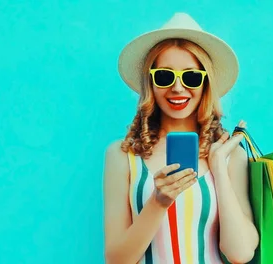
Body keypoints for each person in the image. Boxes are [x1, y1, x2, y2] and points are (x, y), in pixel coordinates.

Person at [103, 12, 259, 264]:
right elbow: (116, 260)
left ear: (205, 83)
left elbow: (240, 253)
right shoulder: (122, 155)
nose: (177, 88)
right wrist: (158, 202)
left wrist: (218, 167)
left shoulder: (231, 157)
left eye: (191, 77)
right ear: (151, 83)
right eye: (164, 76)